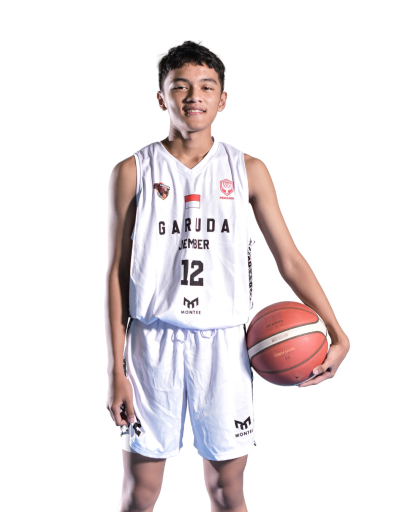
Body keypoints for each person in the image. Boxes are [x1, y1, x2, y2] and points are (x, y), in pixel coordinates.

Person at [105, 39, 350, 512]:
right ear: (161, 98)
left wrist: (338, 332)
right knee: (140, 492)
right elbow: (116, 274)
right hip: (152, 342)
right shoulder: (132, 171)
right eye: (180, 86)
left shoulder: (248, 169)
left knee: (227, 490)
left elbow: (290, 261)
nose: (193, 96)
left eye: (205, 86)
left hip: (224, 343)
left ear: (222, 99)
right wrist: (116, 369)